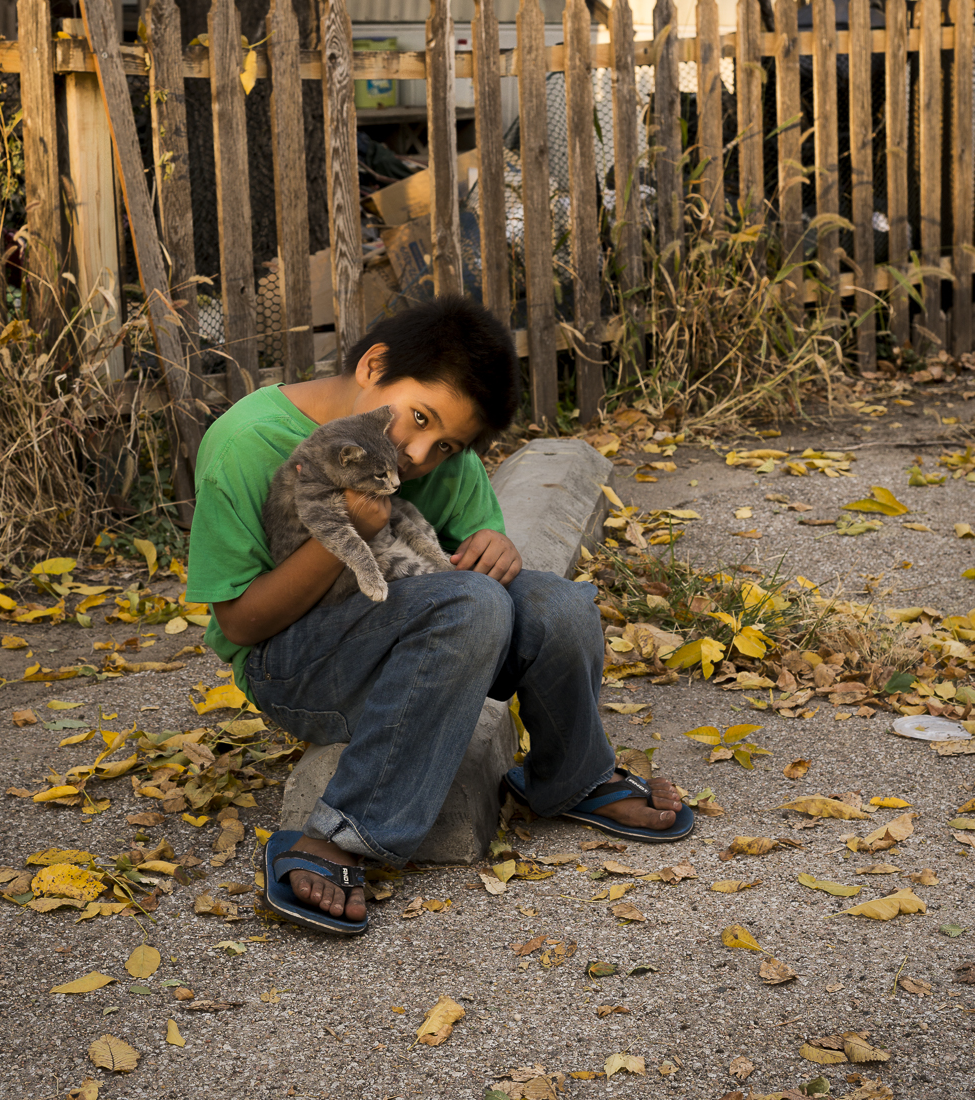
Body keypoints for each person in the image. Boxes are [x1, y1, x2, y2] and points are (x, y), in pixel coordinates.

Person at [187, 296, 690, 935]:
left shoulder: (436, 459)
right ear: (373, 366)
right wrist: (336, 536)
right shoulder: (247, 441)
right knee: (472, 603)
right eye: (418, 418)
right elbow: (240, 625)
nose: (418, 454)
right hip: (295, 671)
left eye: (446, 443)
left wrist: (498, 547)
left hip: (415, 645)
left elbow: (478, 550)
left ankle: (573, 779)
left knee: (555, 603)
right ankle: (341, 834)